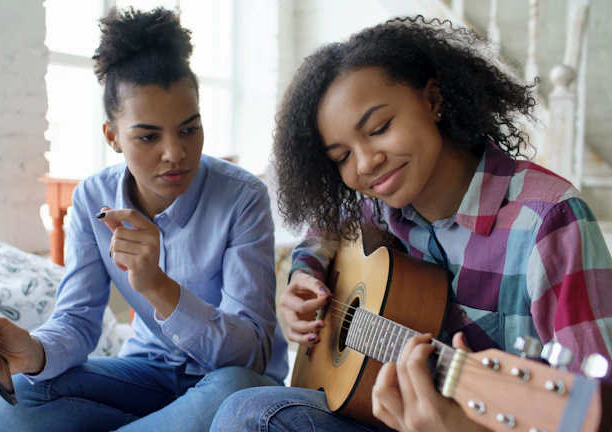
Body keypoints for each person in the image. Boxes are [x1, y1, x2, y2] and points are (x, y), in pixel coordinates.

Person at [211, 16, 612, 432]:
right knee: (243, 409)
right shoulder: (380, 208)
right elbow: (325, 229)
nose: (366, 163)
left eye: (380, 128)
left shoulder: (549, 221)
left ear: (433, 100)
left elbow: (591, 403)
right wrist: (304, 275)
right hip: (385, 410)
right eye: (342, 157)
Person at [0, 7, 288, 432]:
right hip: (145, 375)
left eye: (189, 129)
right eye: (148, 136)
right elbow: (78, 320)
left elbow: (251, 356)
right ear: (113, 137)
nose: (174, 152)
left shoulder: (242, 197)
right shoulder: (91, 199)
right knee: (14, 399)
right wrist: (35, 351)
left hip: (223, 382)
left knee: (237, 396)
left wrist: (158, 287)